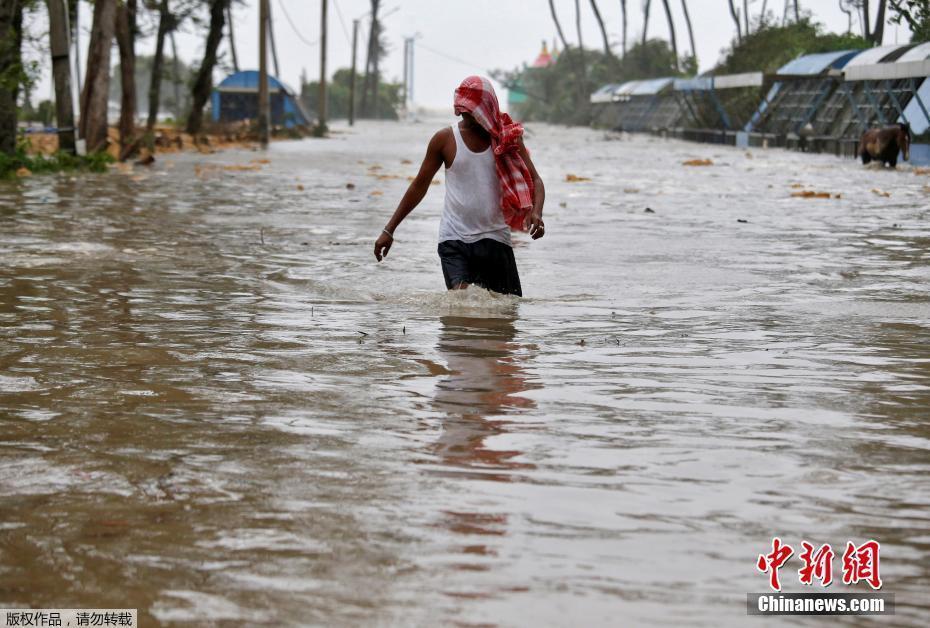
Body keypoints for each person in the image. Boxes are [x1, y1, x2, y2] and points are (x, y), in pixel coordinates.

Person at [373, 76, 546, 297]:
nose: (466, 115)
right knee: (462, 305)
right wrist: (389, 230)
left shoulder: (508, 139)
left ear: (487, 108)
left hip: (495, 239)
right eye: (463, 109)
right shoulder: (445, 139)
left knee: (506, 315)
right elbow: (419, 186)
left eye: (472, 110)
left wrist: (537, 212)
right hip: (454, 240)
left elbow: (536, 180)